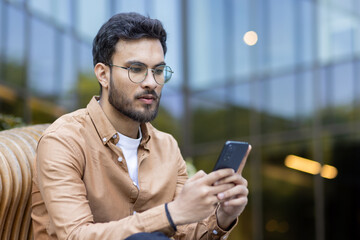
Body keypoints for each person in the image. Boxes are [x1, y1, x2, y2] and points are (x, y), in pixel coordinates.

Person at [31, 12, 251, 240]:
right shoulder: (63, 140)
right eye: (136, 69)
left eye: (158, 71)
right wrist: (171, 213)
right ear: (103, 75)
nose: (151, 82)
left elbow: (185, 232)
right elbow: (75, 236)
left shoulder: (167, 146)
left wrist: (223, 216)